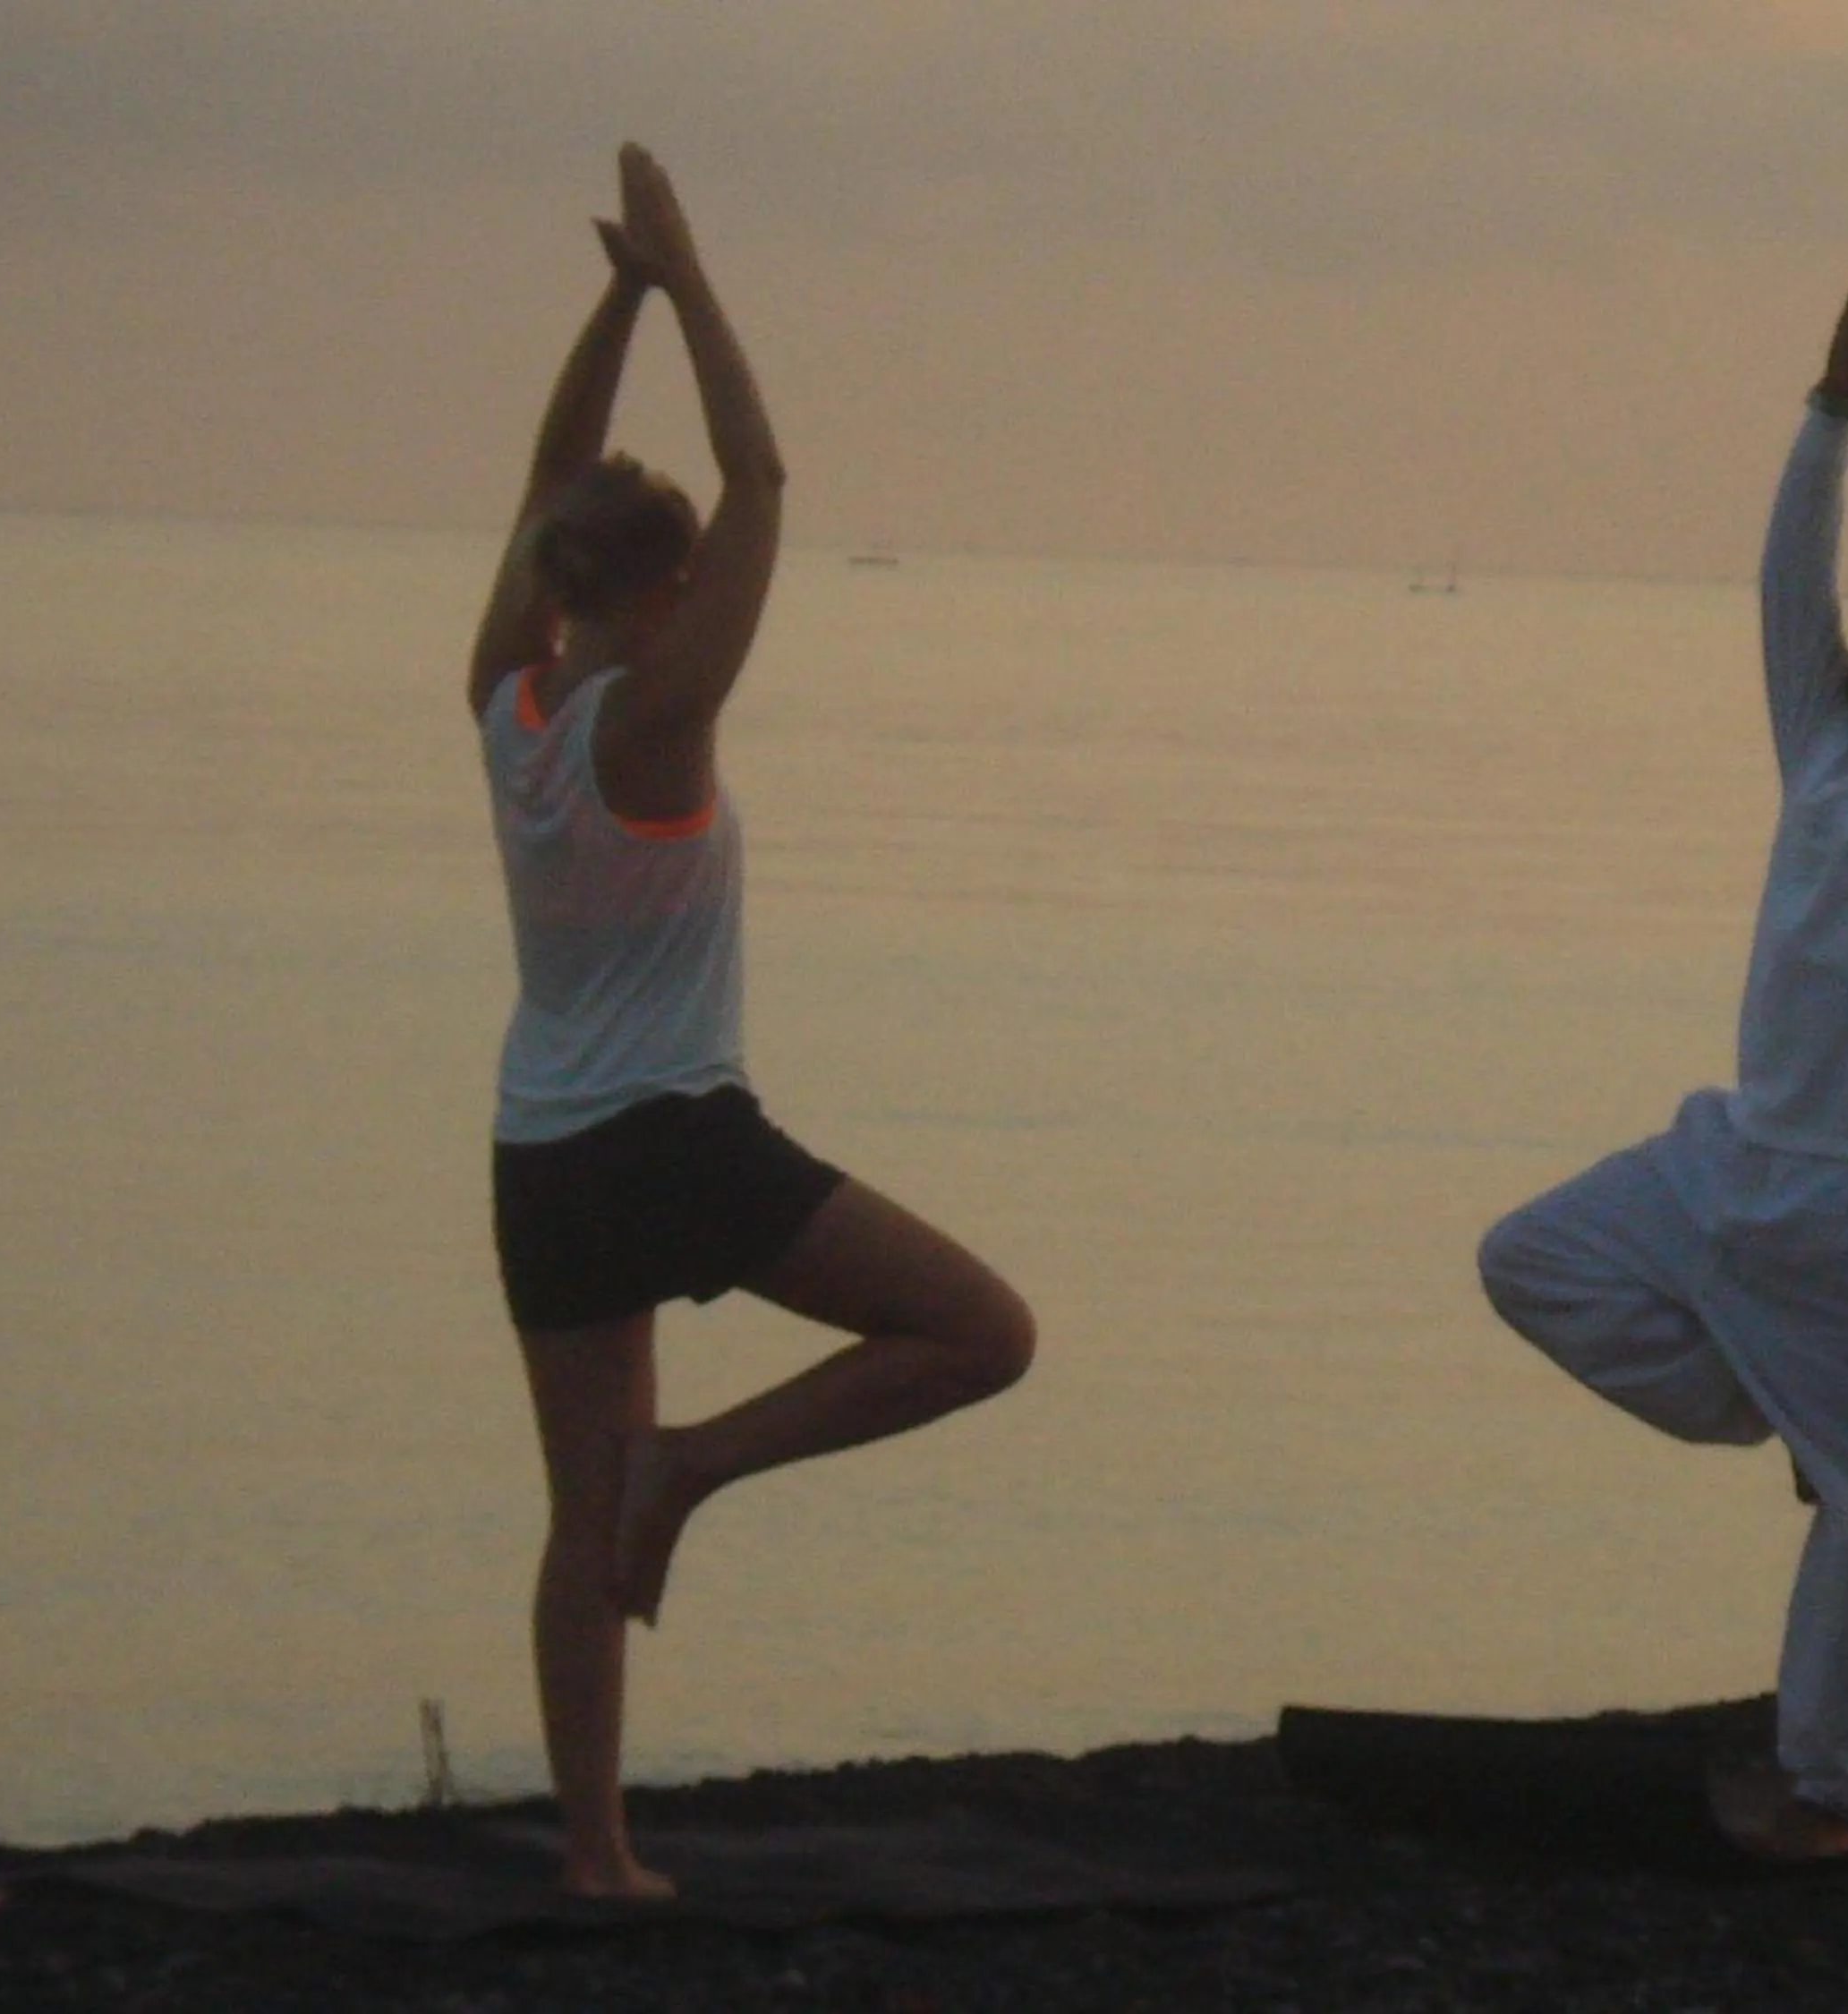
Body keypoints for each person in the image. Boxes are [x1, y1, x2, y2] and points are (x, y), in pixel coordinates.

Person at [467, 146, 1035, 1899]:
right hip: (675, 1138)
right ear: (657, 596)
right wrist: (691, 277)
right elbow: (763, 469)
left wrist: (617, 296)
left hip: (541, 1156)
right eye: (690, 578)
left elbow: (548, 478)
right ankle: (698, 1469)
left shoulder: (507, 695)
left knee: (581, 1512)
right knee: (980, 1333)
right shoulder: (660, 720)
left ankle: (598, 1857)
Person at [1475, 242, 1848, 1856]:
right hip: (1735, 1157)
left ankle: (1834, 1788)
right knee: (1529, 1261)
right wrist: (1828, 402)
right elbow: (1780, 588)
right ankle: (1768, 1405)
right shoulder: (1822, 752)